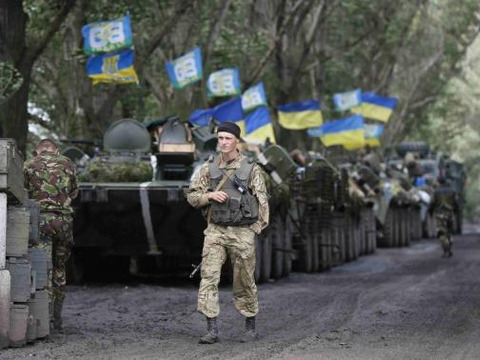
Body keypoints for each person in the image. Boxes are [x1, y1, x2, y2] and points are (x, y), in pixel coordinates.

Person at [185, 122, 269, 344]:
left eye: (227, 138)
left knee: (244, 280)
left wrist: (255, 229)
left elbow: (262, 202)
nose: (223, 142)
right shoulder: (208, 168)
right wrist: (209, 196)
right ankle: (211, 330)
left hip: (242, 233)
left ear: (237, 141)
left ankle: (250, 326)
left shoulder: (251, 169)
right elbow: (192, 196)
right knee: (209, 277)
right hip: (215, 231)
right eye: (220, 138)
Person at [24, 139, 78, 331]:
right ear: (56, 149)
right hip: (63, 222)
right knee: (59, 268)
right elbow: (74, 192)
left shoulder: (29, 164)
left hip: (39, 222)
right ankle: (57, 318)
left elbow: (22, 194)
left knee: (40, 267)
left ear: (37, 150)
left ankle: (41, 319)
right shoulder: (67, 163)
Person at [430, 177, 456, 258]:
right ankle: (449, 248)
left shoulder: (436, 191)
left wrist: (430, 212)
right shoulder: (452, 191)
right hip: (450, 214)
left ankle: (446, 250)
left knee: (441, 233)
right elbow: (456, 203)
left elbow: (432, 203)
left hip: (440, 214)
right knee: (449, 233)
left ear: (439, 183)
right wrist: (455, 212)